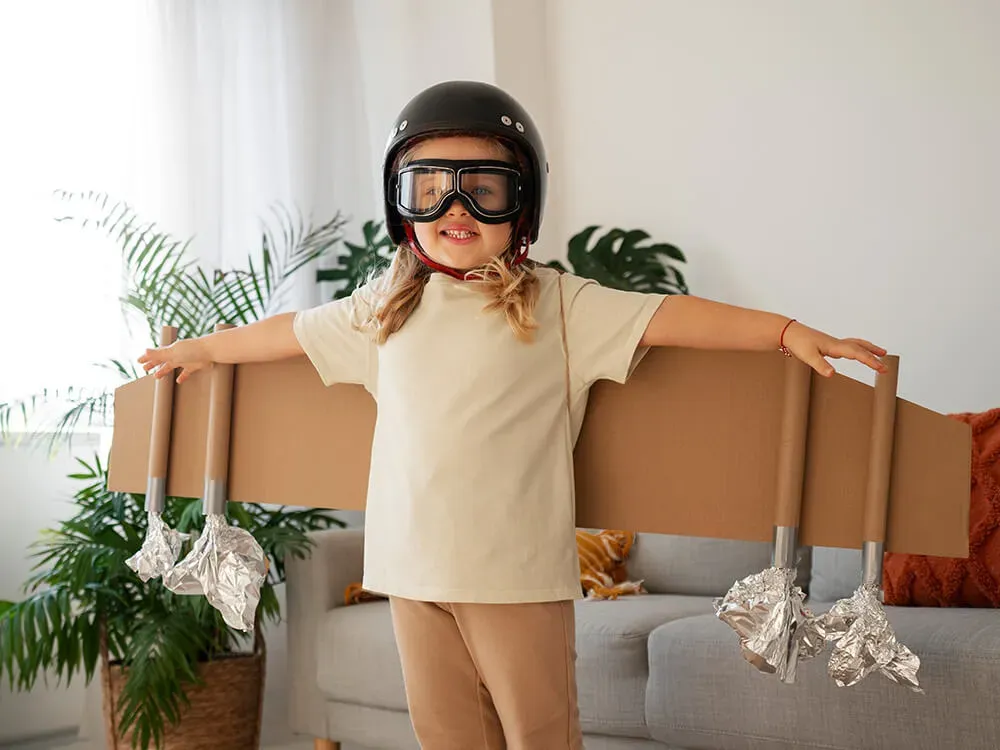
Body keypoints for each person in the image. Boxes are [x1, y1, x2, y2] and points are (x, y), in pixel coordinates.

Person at [138, 80, 887, 750]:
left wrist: (785, 332)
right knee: (448, 736)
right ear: (401, 204)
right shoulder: (384, 310)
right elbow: (289, 333)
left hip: (514, 576)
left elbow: (673, 316)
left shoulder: (559, 306)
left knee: (539, 734)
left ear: (520, 204)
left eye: (482, 190)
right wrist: (206, 349)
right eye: (428, 187)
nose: (454, 209)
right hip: (408, 568)